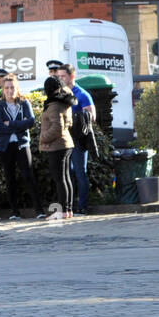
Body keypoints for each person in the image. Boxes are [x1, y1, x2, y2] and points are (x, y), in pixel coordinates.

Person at [0, 73, 43, 220]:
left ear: (17, 88)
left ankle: (39, 210)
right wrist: (19, 126)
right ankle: (15, 212)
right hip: (6, 146)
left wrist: (13, 124)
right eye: (7, 87)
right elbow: (0, 127)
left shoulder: (24, 103)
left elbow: (31, 122)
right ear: (3, 89)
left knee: (28, 176)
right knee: (10, 178)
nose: (10, 90)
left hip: (22, 144)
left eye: (12, 87)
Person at [57, 63, 96, 215]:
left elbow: (92, 117)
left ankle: (83, 206)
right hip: (64, 139)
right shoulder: (60, 94)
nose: (60, 79)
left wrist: (76, 118)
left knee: (80, 172)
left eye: (63, 76)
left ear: (71, 76)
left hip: (78, 140)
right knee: (68, 173)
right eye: (58, 76)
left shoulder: (82, 94)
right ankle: (70, 206)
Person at [39, 76, 77, 219]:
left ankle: (62, 211)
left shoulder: (54, 105)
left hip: (57, 146)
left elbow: (57, 127)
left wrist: (43, 137)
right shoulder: (64, 102)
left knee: (60, 179)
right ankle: (68, 210)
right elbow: (68, 124)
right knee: (65, 177)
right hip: (66, 143)